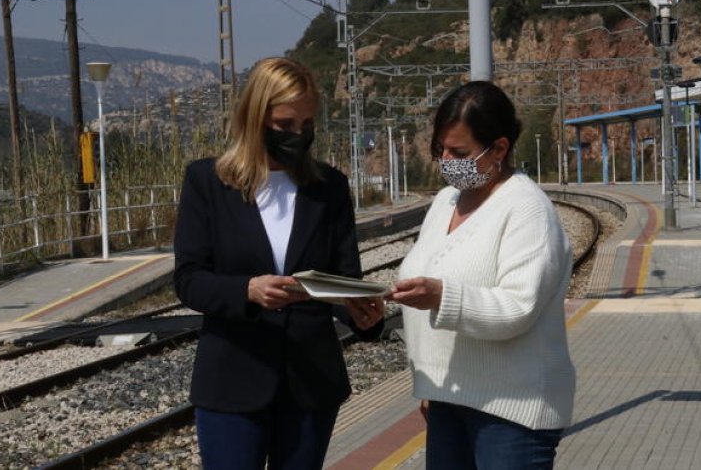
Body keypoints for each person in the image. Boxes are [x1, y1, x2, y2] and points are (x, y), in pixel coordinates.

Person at [173, 57, 385, 470]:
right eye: (285, 125)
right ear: (256, 118)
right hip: (232, 382)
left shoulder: (330, 188)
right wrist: (246, 291)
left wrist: (364, 315)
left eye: (307, 125)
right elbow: (188, 279)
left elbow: (344, 280)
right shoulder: (207, 183)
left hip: (311, 386)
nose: (298, 135)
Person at [390, 81, 575, 469]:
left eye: (459, 152)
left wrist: (442, 295)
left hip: (512, 413)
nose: (445, 160)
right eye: (439, 149)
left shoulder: (527, 209)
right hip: (447, 400)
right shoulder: (445, 202)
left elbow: (518, 307)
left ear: (500, 149)